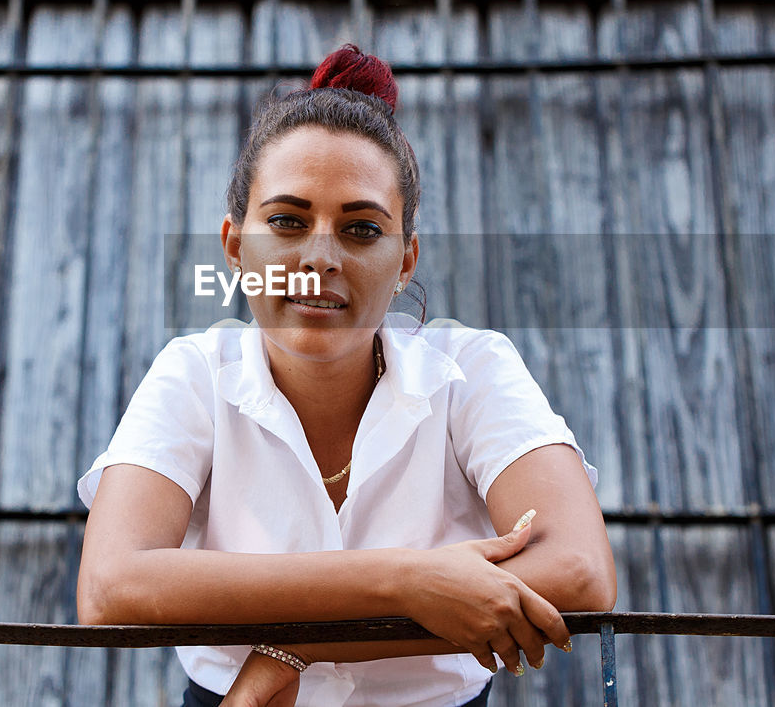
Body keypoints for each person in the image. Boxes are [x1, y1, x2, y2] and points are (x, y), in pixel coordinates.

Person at [76, 44, 616, 707]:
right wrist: (402, 581)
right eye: (286, 221)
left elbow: (579, 568)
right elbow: (111, 585)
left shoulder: (470, 368)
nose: (321, 256)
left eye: (362, 229)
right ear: (236, 247)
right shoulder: (195, 375)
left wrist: (297, 644)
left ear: (406, 259)